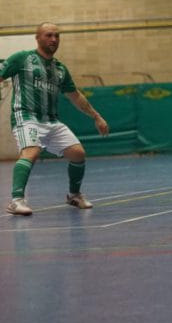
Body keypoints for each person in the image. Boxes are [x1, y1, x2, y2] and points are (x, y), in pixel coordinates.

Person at [2, 22, 109, 216]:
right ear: (38, 37)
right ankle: (16, 201)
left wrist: (97, 116)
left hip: (51, 121)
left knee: (78, 154)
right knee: (31, 152)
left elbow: (75, 96)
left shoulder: (60, 69)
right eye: (49, 35)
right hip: (26, 116)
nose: (53, 39)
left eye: (57, 36)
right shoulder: (22, 58)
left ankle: (74, 195)